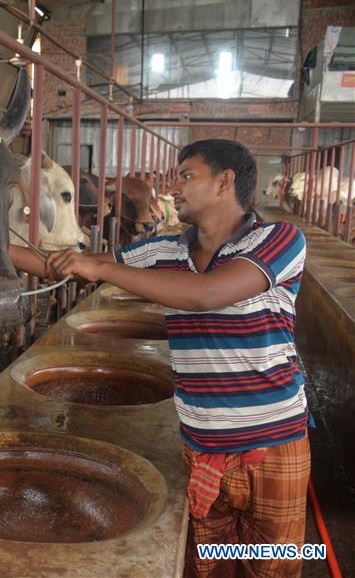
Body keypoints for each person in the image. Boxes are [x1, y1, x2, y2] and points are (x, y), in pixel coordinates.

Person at [45, 139, 311, 578]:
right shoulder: (166, 252)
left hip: (272, 444)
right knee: (205, 563)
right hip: (201, 446)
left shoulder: (279, 239)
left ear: (225, 182)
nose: (172, 188)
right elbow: (64, 263)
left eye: (187, 176)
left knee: (272, 566)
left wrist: (103, 270)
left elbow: (207, 295)